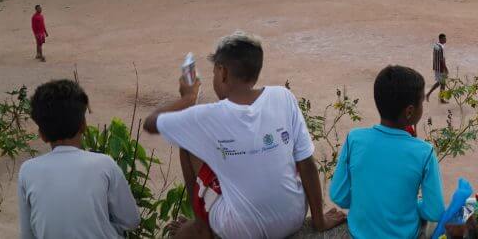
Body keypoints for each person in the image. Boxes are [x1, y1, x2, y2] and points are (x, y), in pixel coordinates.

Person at [143, 32, 345, 238]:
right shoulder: (283, 97)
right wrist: (319, 220)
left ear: (222, 72)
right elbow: (306, 162)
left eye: (214, 72)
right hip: (293, 217)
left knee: (187, 145)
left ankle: (202, 228)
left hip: (241, 230)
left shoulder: (207, 115)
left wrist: (188, 98)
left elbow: (150, 124)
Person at [330, 65, 445, 239]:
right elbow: (435, 211)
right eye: (421, 102)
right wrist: (409, 206)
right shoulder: (424, 152)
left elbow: (339, 196)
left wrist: (369, 201)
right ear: (410, 111)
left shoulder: (354, 139)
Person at [19, 80, 140, 239]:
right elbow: (131, 220)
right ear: (83, 125)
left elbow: (27, 234)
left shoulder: (28, 170)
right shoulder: (104, 164)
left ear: (41, 134)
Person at [425, 34, 448, 104]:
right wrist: (446, 68)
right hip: (440, 68)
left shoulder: (436, 45)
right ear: (440, 39)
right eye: (444, 39)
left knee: (441, 83)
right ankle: (430, 94)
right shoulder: (441, 48)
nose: (445, 40)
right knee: (441, 83)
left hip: (436, 67)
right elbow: (442, 60)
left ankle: (440, 98)